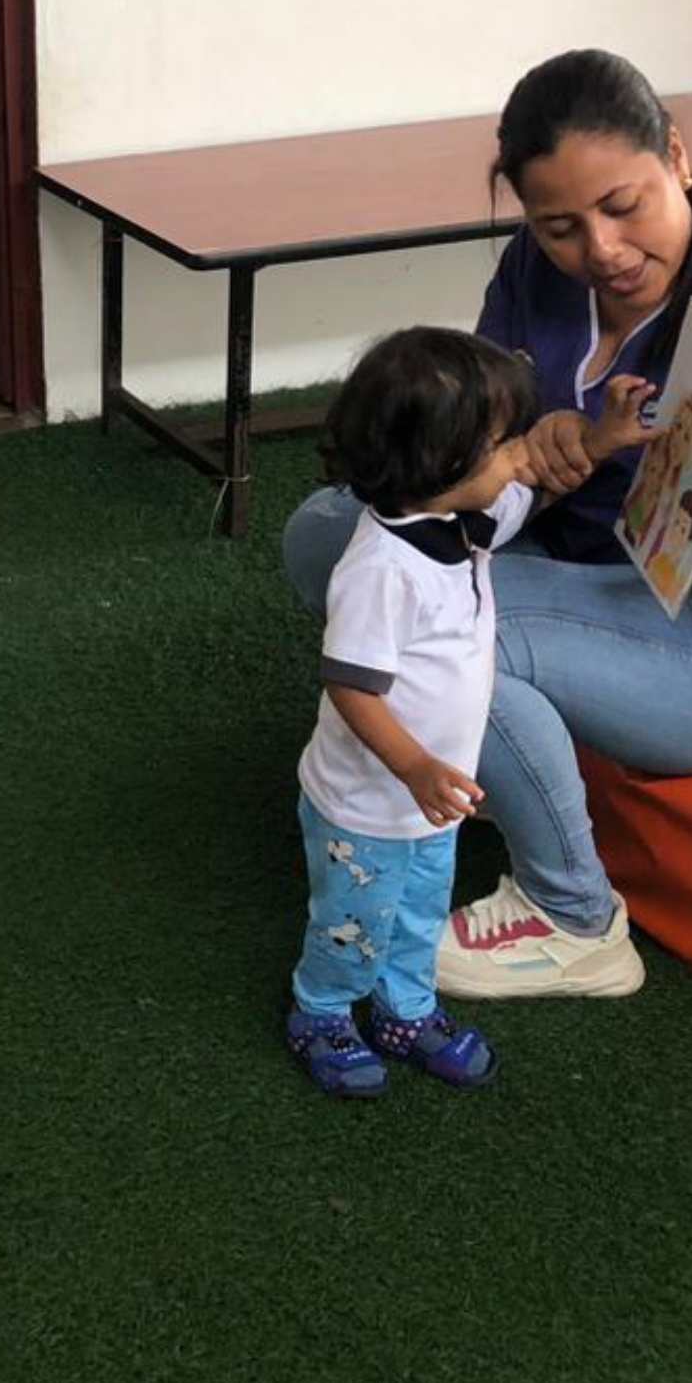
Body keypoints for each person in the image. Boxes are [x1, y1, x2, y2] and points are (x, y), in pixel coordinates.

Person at [273, 48, 692, 998]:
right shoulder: (538, 268)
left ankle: (576, 918)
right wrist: (533, 453)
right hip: (599, 567)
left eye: (625, 207)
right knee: (333, 535)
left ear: (678, 158)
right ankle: (499, 755)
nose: (602, 250)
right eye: (560, 225)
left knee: (445, 634)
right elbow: (470, 456)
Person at [287, 327, 630, 1096]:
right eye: (505, 444)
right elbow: (351, 686)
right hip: (368, 808)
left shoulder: (459, 522)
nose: (521, 455)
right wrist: (414, 767)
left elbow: (538, 489)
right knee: (352, 921)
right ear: (442, 462)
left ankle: (405, 1009)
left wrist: (603, 440)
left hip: (432, 799)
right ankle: (323, 1009)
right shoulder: (382, 569)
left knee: (418, 913)